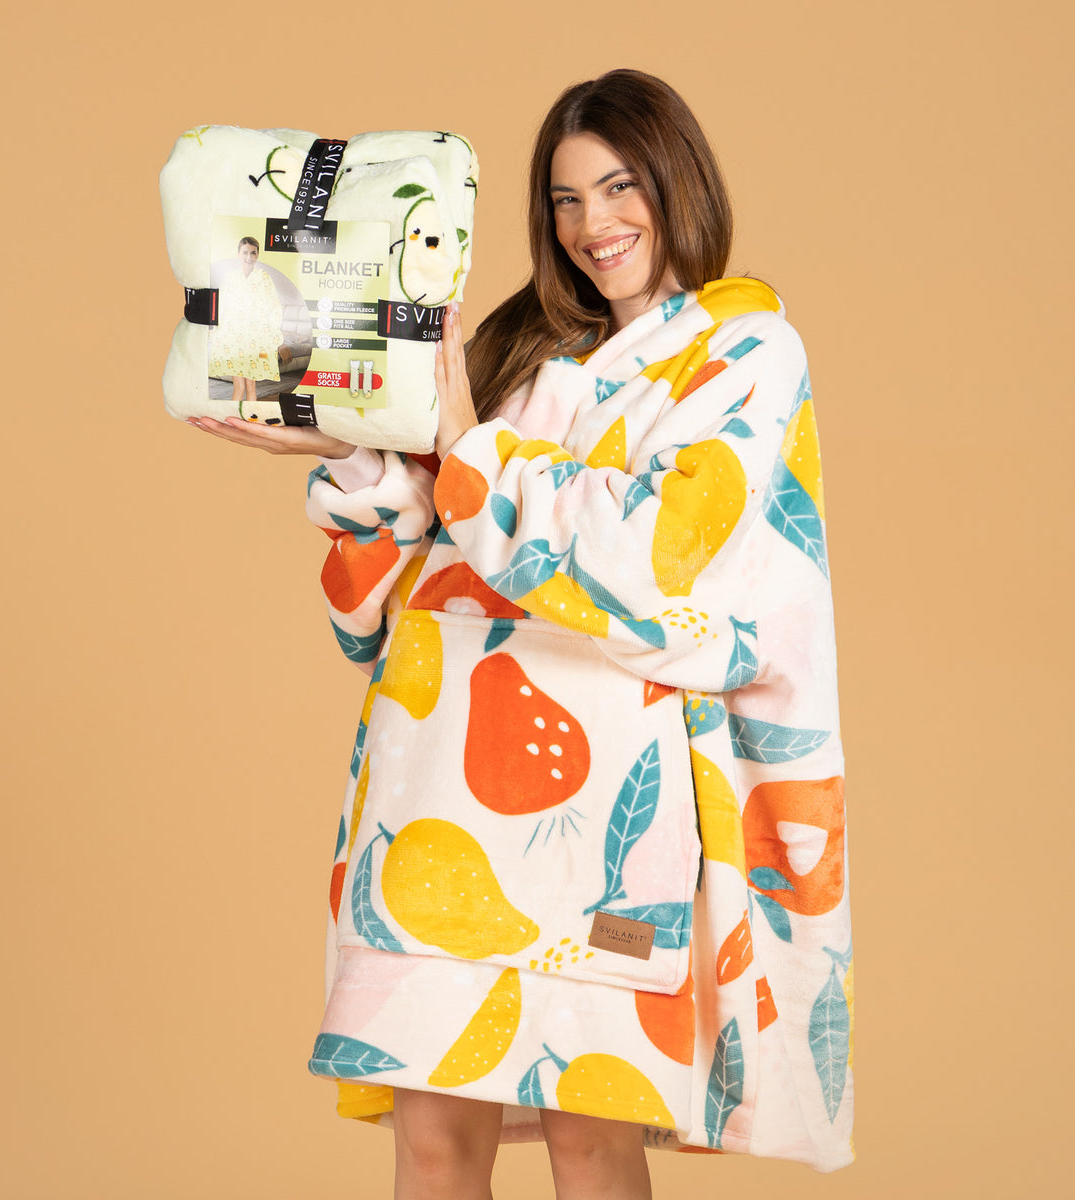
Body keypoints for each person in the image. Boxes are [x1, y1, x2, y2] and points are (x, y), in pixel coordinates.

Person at [189, 69, 852, 1197]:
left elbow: (655, 561)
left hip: (604, 819)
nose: (595, 224)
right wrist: (351, 448)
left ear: (679, 181)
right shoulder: (516, 351)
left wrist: (466, 451)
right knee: (432, 1144)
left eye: (621, 186)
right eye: (566, 199)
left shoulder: (745, 355)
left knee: (591, 1142)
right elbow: (405, 567)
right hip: (435, 791)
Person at [208, 236, 287, 410]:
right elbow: (223, 305)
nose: (249, 257)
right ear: (238, 254)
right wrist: (217, 329)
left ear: (257, 255)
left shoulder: (264, 277)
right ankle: (233, 418)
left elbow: (273, 304)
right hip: (235, 337)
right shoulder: (230, 278)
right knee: (239, 387)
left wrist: (273, 331)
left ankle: (251, 418)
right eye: (245, 252)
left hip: (255, 337)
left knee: (251, 386)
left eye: (253, 253)